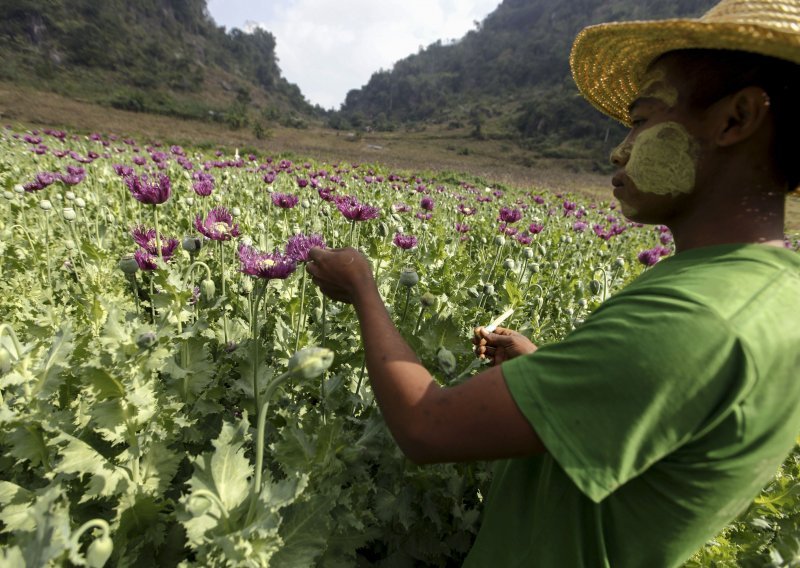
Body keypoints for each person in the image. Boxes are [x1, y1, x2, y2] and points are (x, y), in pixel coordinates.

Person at [305, 0, 800, 564]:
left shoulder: (699, 317)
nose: (620, 149)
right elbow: (663, 416)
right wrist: (543, 370)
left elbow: (426, 427)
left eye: (641, 121)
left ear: (735, 119)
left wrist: (363, 289)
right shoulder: (770, 294)